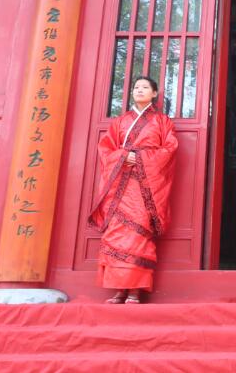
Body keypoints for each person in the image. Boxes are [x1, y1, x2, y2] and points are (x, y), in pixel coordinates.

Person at [88, 76, 178, 304]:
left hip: (145, 188)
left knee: (138, 234)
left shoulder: (162, 121)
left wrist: (139, 158)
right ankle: (120, 289)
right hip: (120, 185)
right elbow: (106, 149)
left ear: (154, 94)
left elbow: (169, 150)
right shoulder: (120, 122)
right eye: (136, 87)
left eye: (145, 87)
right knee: (116, 233)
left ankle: (135, 290)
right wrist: (122, 156)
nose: (139, 90)